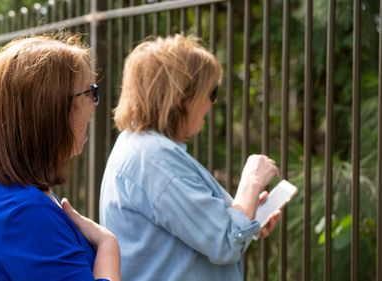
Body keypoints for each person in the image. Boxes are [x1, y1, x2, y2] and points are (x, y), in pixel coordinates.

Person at [99, 34, 281, 280]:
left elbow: (201, 234)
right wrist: (251, 182)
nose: (211, 103)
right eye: (211, 92)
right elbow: (225, 242)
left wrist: (249, 217)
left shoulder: (141, 148)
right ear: (181, 97)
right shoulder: (155, 159)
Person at [0, 35, 120, 281]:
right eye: (89, 92)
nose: (94, 104)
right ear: (50, 111)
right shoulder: (25, 214)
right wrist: (108, 245)